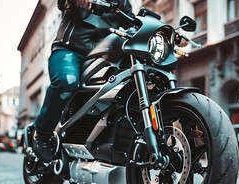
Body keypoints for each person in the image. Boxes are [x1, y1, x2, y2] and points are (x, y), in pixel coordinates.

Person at [33, 0, 188, 162]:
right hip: (71, 50)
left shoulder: (122, 2)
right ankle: (41, 134)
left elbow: (134, 23)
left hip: (105, 55)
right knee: (67, 82)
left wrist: (171, 34)